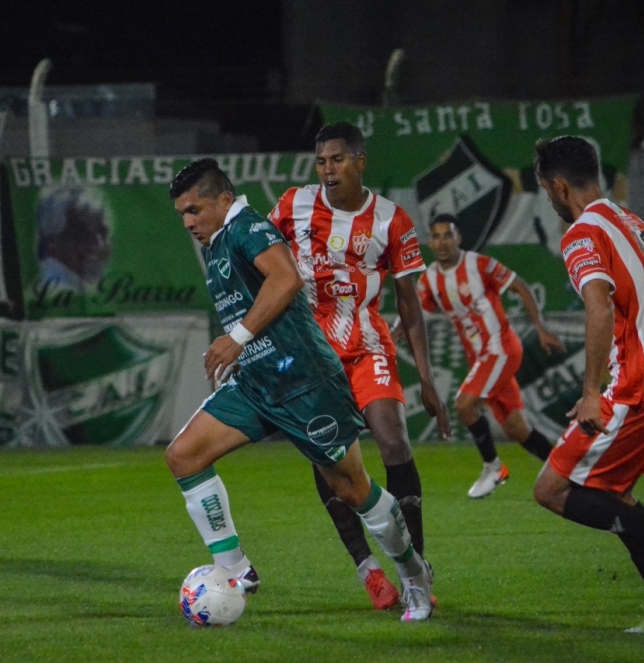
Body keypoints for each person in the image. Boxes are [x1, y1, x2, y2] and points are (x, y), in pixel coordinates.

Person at [166, 158, 435, 622]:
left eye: (195, 209)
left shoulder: (248, 227)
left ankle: (413, 575)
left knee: (354, 491)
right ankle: (236, 570)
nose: (188, 222)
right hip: (257, 384)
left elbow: (286, 279)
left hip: (306, 385)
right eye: (182, 215)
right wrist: (242, 350)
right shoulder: (217, 244)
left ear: (224, 200)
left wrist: (237, 339)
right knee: (184, 456)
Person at [268, 121, 451, 610]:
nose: (328, 169)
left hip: (367, 345)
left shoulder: (392, 219)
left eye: (338, 159)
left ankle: (416, 569)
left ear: (360, 162)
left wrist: (428, 381)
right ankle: (368, 568)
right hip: (310, 352)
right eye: (322, 161)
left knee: (393, 440)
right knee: (327, 456)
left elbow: (409, 304)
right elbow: (261, 259)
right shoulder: (292, 205)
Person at [532, 136, 644, 633]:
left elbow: (598, 305)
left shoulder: (582, 234)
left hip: (640, 389)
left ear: (559, 186)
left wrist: (593, 392)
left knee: (550, 489)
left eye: (546, 189)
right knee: (616, 495)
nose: (549, 198)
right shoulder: (634, 223)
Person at [412, 213, 565, 498]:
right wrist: (396, 329)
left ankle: (493, 467)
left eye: (448, 235)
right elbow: (416, 313)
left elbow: (520, 285)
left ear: (458, 238)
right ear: (430, 241)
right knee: (518, 430)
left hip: (501, 350)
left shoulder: (479, 265)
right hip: (481, 359)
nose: (443, 242)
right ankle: (571, 474)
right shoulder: (429, 279)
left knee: (464, 405)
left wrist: (541, 329)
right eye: (436, 236)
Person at [34, 187, 111, 295]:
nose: (100, 244)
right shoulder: (53, 286)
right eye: (85, 234)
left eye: (103, 233)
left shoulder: (91, 282)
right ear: (51, 243)